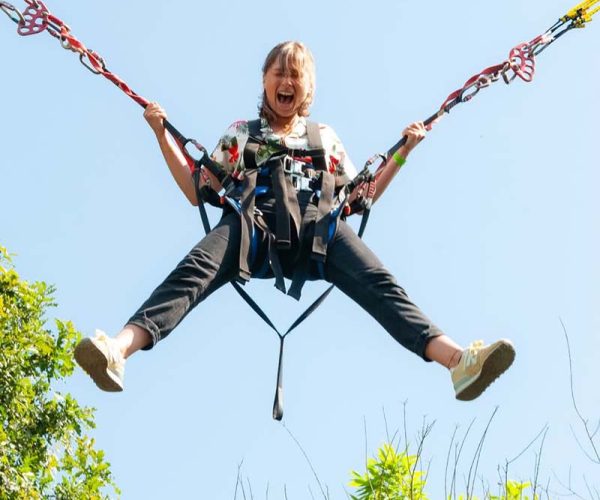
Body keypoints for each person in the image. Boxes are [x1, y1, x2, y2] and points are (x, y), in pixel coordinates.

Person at [74, 41, 515, 402]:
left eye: (295, 75)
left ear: (307, 89)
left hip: (318, 228)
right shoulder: (240, 134)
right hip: (252, 227)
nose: (286, 82)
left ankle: (459, 362)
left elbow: (361, 196)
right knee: (193, 270)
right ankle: (119, 348)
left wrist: (404, 152)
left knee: (380, 284)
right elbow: (197, 189)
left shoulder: (325, 138)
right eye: (278, 73)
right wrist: (160, 134)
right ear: (264, 81)